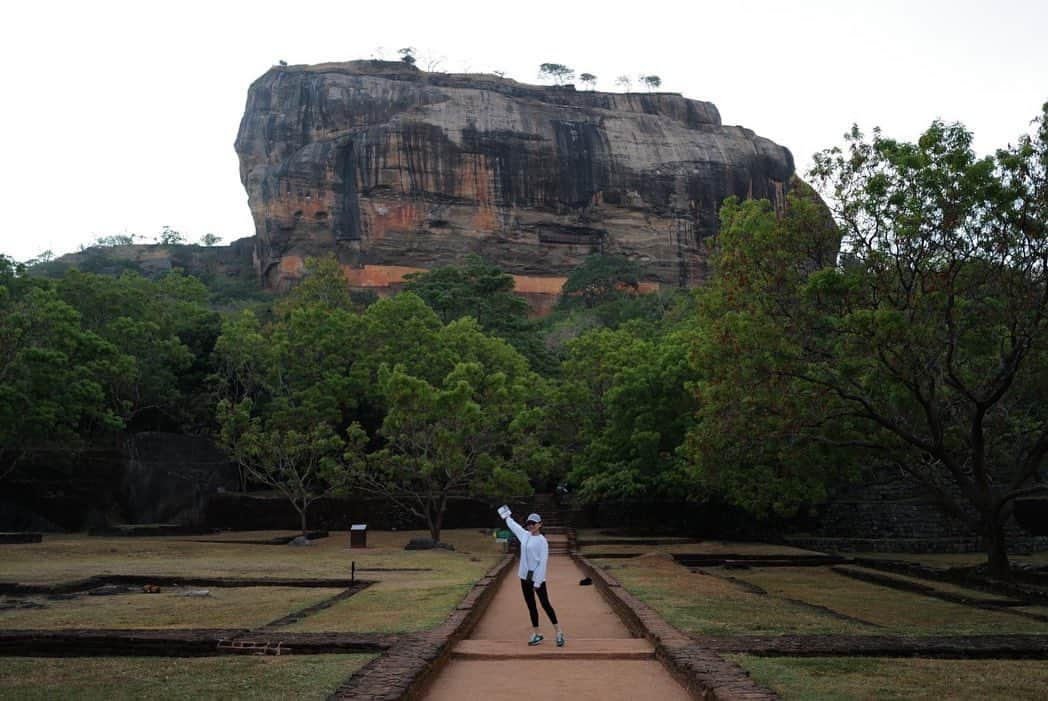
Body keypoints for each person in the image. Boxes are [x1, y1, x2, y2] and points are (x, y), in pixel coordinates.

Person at [498, 506, 565, 647]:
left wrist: (538, 582)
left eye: (533, 523)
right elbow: (514, 526)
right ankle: (537, 633)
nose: (531, 526)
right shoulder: (525, 535)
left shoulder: (542, 541)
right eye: (529, 523)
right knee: (531, 606)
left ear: (540, 524)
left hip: (537, 579)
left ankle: (558, 632)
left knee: (545, 604)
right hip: (524, 577)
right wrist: (506, 517)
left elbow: (543, 563)